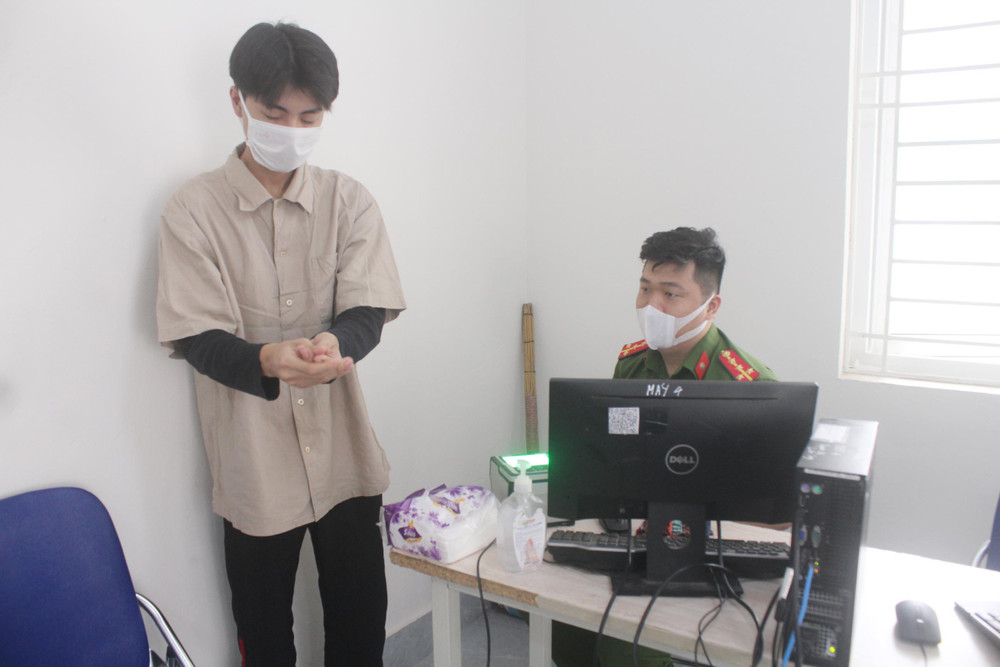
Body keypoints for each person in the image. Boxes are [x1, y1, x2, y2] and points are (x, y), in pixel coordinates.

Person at [156, 22, 406, 666]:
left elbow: (368, 308)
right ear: (237, 101)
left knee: (360, 623)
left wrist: (335, 342)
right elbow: (196, 333)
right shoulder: (193, 210)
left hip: (343, 451)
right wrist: (266, 359)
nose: (292, 130)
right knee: (263, 633)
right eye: (275, 114)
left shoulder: (349, 201)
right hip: (253, 461)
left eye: (309, 116)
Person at [553, 226, 774, 666]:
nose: (651, 306)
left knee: (632, 647)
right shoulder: (631, 364)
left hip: (711, 551)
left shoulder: (748, 385)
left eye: (670, 294)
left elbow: (776, 513)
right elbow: (614, 454)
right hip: (638, 535)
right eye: (645, 288)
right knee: (568, 626)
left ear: (711, 305)